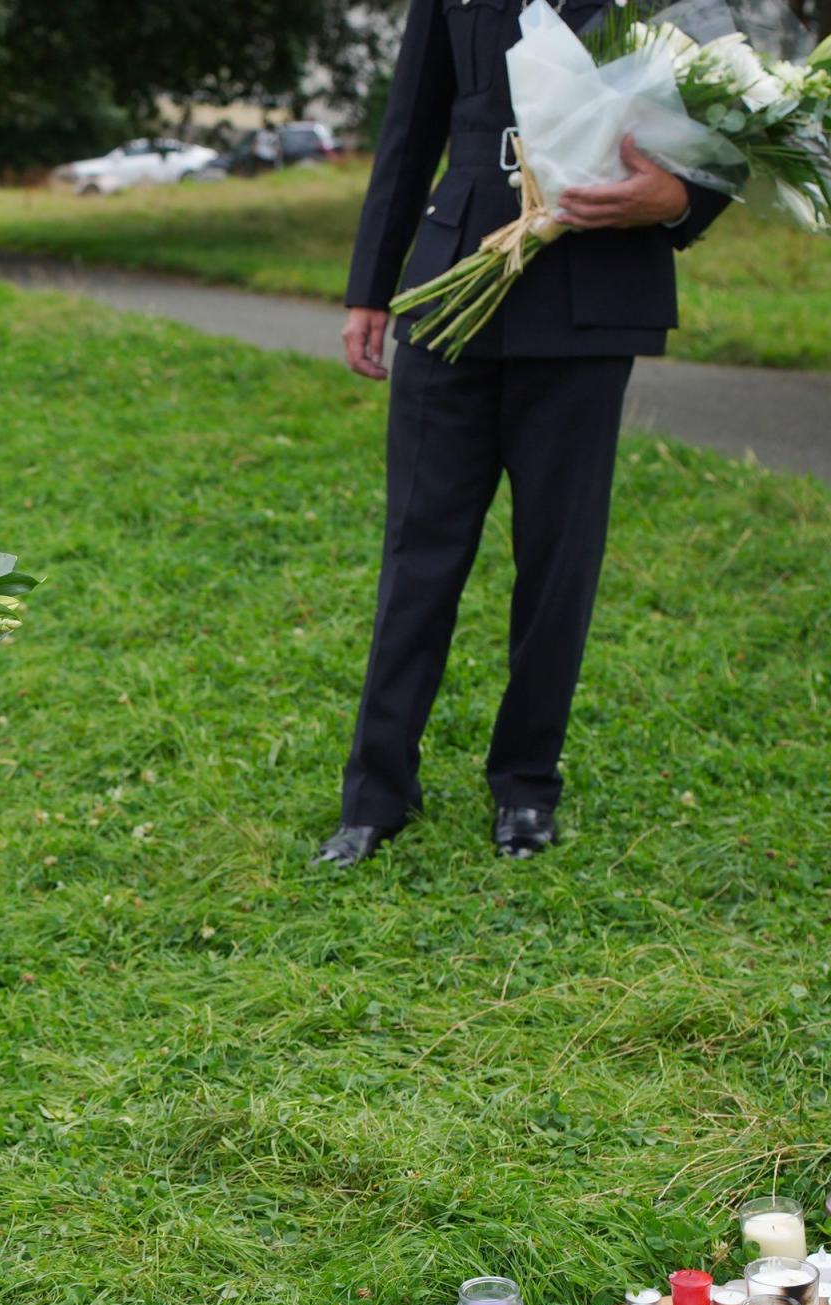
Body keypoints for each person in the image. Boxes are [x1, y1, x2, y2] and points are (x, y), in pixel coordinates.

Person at [317, 0, 728, 868]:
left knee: (558, 561)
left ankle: (527, 788)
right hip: (454, 273)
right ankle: (376, 792)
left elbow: (737, 117)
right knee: (417, 548)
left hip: (592, 283)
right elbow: (410, 127)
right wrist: (369, 286)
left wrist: (679, 201)